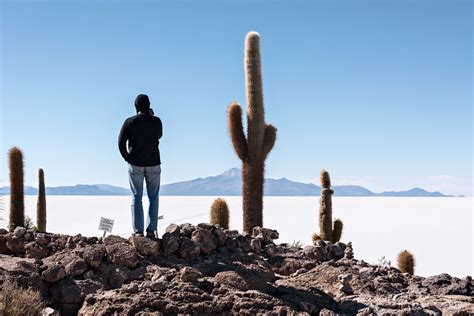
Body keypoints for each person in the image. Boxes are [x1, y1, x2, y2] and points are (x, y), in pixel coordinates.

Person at [118, 94, 163, 238]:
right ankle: (151, 231)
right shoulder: (156, 121)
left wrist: (127, 158)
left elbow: (120, 142)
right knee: (153, 198)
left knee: (136, 197)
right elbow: (159, 135)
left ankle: (138, 232)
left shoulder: (129, 122)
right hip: (153, 164)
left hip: (135, 164)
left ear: (136, 107)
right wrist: (152, 116)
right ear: (149, 105)